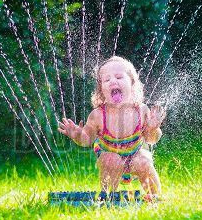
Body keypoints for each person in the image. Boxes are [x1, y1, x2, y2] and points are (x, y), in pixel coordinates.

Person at [58, 56, 165, 201]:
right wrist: (77, 134)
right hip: (109, 158)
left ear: (132, 83)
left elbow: (151, 140)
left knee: (145, 160)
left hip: (135, 157)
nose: (113, 81)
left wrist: (152, 128)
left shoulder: (141, 111)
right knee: (110, 160)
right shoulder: (98, 115)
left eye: (119, 77)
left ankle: (155, 196)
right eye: (107, 80)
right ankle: (107, 196)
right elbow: (86, 140)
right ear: (101, 90)